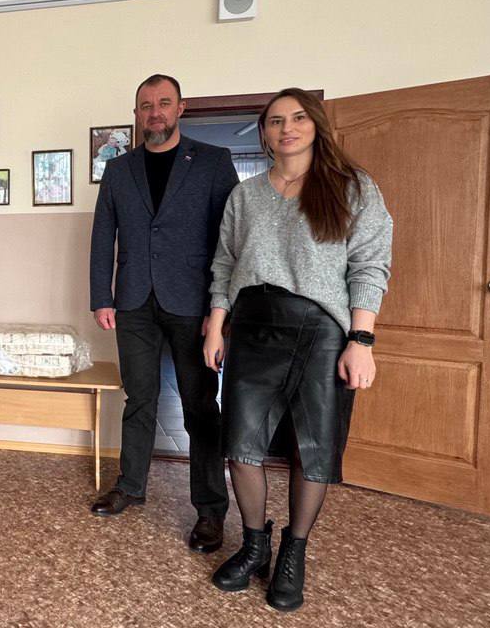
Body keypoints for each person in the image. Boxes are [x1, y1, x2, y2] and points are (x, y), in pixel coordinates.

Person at [204, 88, 392, 612]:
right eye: (274, 121)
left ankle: (294, 551)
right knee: (240, 446)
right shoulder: (245, 195)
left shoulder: (352, 187)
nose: (286, 128)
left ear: (316, 126)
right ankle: (254, 546)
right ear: (264, 132)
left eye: (298, 118)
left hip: (320, 331)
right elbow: (224, 263)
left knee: (313, 449)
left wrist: (361, 340)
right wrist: (216, 326)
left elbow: (370, 265)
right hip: (252, 326)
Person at [89, 74, 240, 555]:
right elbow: (103, 235)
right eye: (146, 105)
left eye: (164, 103)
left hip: (193, 303)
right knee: (139, 398)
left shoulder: (214, 161)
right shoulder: (119, 169)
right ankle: (131, 486)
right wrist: (102, 296)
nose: (155, 112)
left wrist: (219, 310)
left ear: (180, 108)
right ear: (137, 113)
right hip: (134, 301)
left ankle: (211, 510)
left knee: (200, 406)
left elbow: (230, 240)